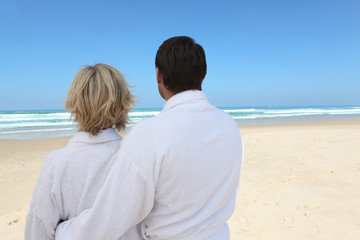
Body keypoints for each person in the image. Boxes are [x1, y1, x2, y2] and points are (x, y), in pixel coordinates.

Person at [56, 36, 244, 240]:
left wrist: (63, 231)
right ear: (202, 74)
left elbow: (111, 218)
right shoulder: (229, 126)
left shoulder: (149, 134)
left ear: (158, 75)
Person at [25, 63, 135, 240]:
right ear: (122, 104)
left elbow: (38, 230)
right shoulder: (136, 159)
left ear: (75, 103)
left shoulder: (56, 163)